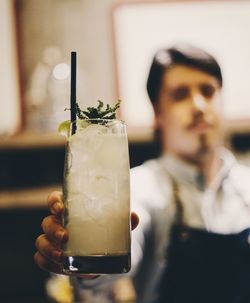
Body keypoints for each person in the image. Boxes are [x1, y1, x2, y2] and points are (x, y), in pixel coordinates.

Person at [34, 44, 250, 303]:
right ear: (158, 112)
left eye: (208, 91)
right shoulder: (137, 187)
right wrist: (90, 265)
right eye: (180, 94)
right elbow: (123, 246)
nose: (199, 105)